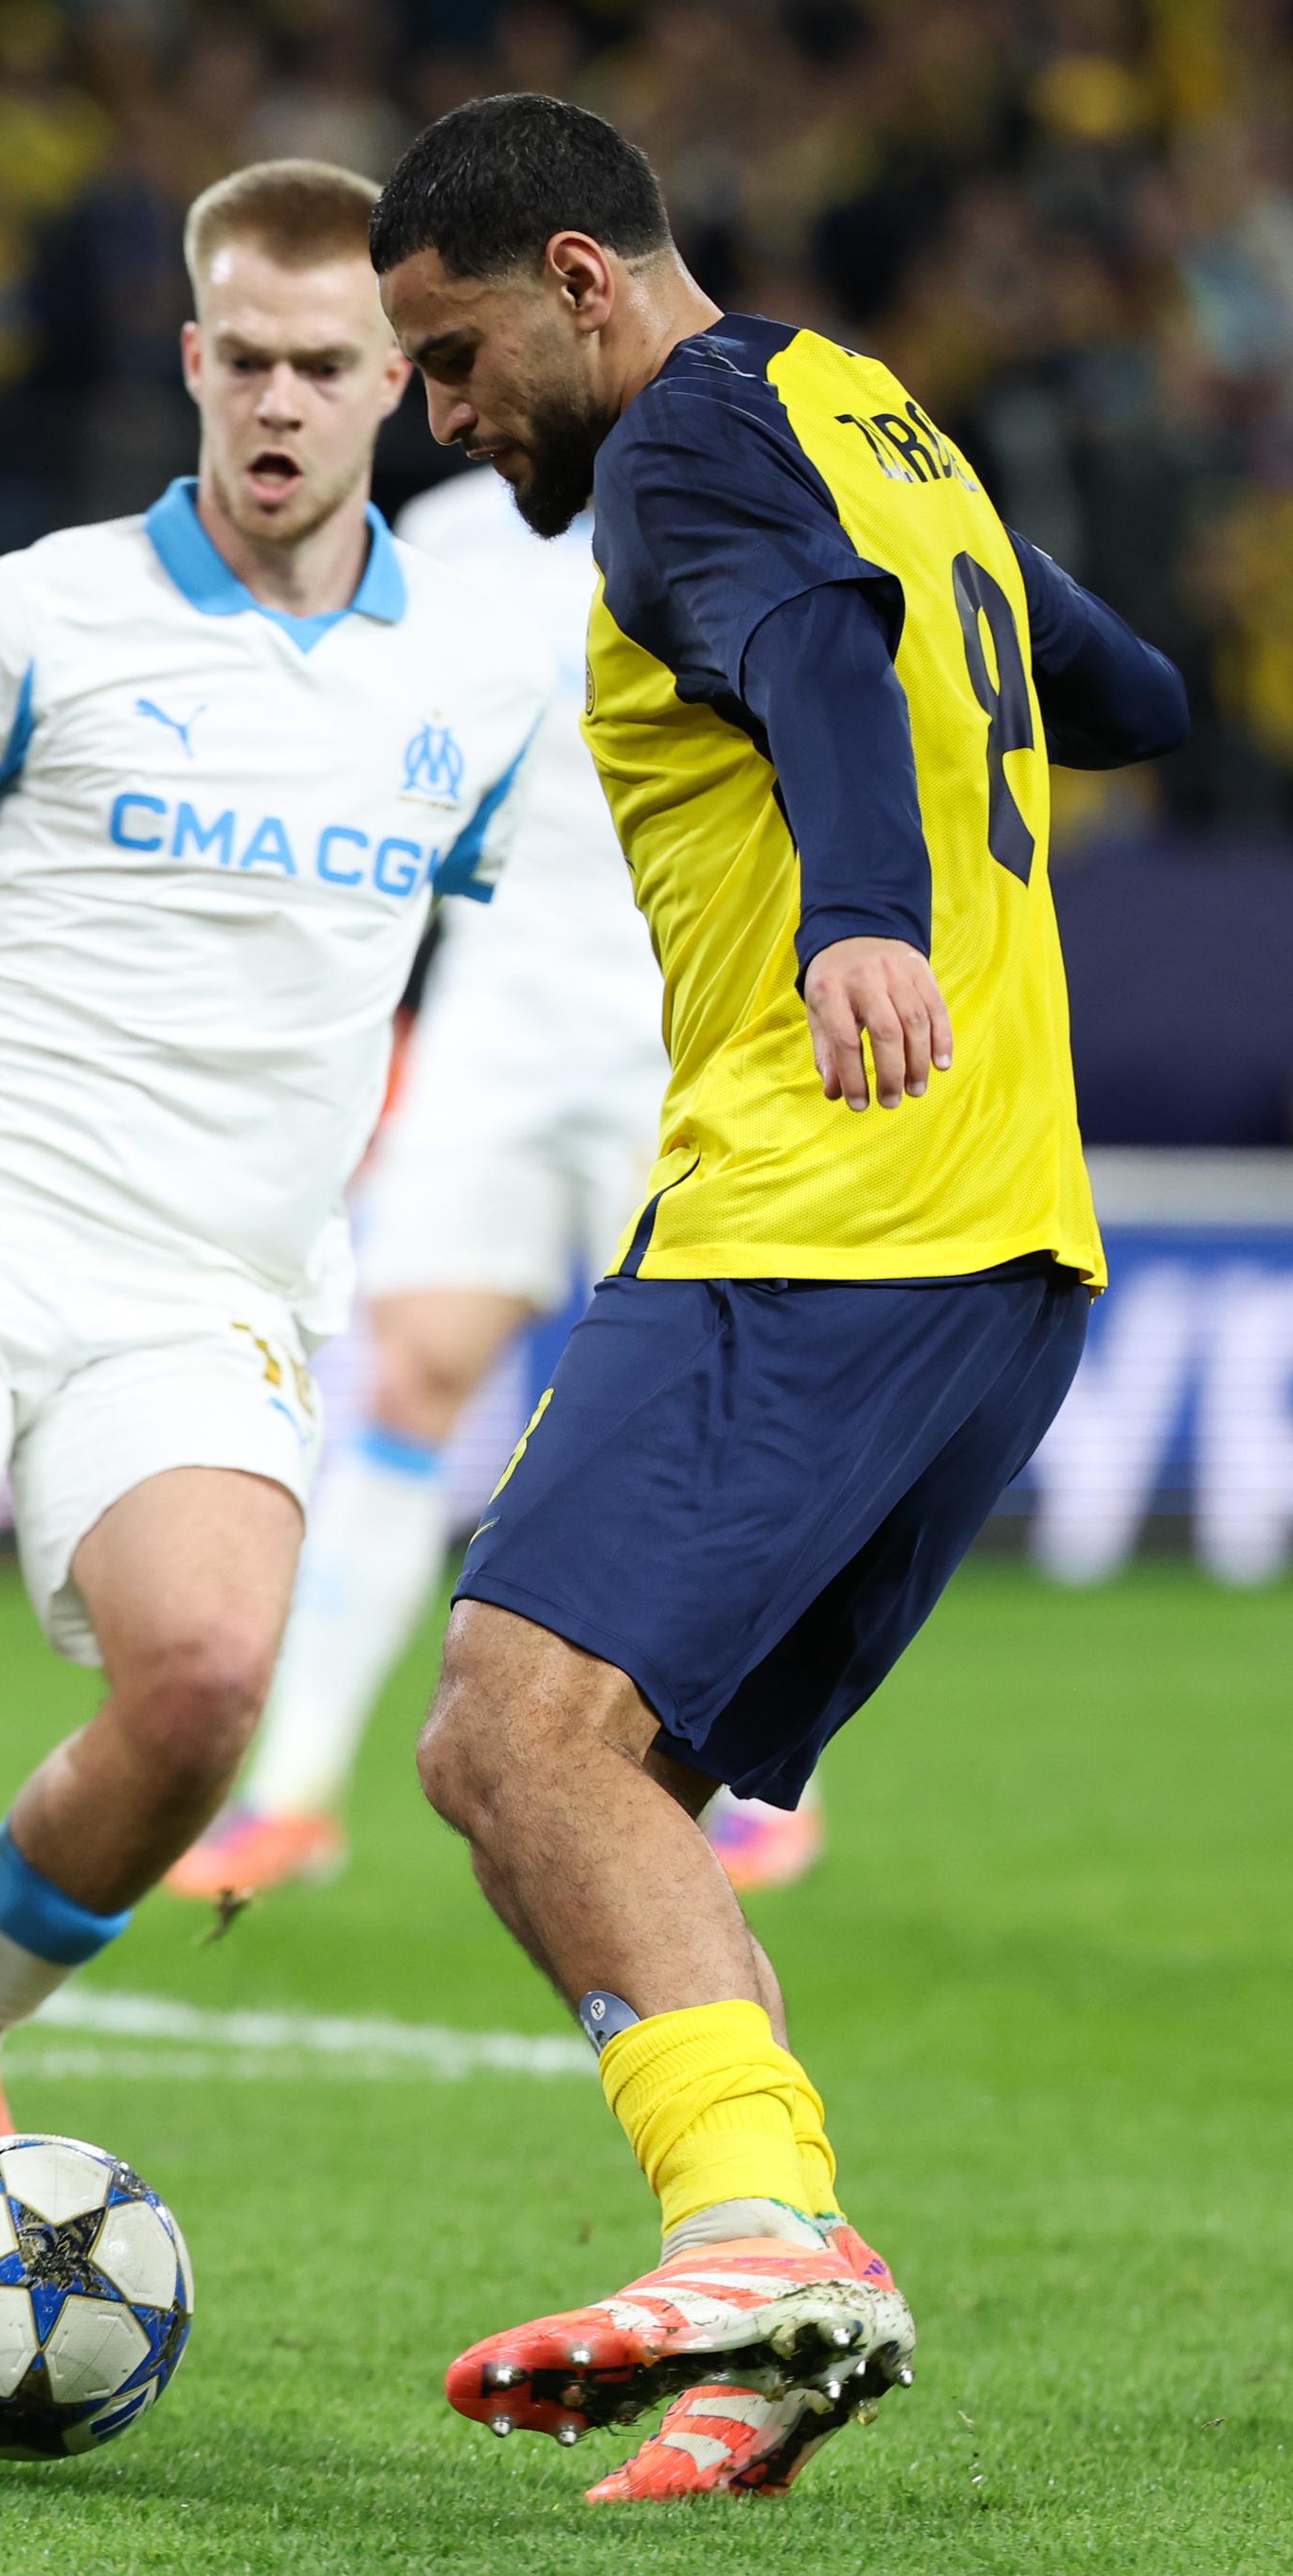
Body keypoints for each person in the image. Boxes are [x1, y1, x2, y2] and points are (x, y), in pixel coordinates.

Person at [369, 94, 1188, 2501]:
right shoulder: (869, 414)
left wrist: (856, 904)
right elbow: (1121, 686)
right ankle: (786, 2284)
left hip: (829, 1206)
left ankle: (752, 2231)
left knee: (519, 1733)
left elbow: (818, 643)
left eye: (451, 354)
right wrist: (955, 674)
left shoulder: (689, 455)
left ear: (582, 277)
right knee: (547, 1768)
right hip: (999, 1242)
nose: (445, 411)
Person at [0, 156, 550, 2362]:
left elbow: (510, 939)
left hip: (211, 1286)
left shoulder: (469, 685)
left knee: (199, 1698)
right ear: (193, 356)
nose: (278, 404)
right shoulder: (30, 615)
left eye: (326, 368)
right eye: (242, 360)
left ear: (402, 384)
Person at [168, 462, 824, 1903]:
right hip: (500, 1007)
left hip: (696, 1008)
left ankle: (761, 1774)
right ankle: (292, 1793)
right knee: (407, 1375)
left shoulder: (756, 498)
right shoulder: (455, 534)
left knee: (693, 1398)